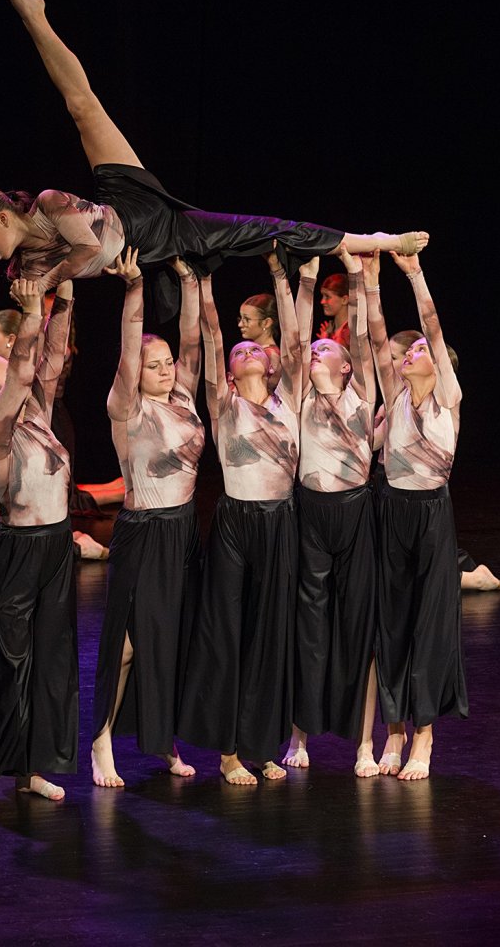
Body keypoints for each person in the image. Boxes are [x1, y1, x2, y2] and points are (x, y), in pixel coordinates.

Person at [0, 0, 428, 321]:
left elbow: (85, 250)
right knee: (263, 230)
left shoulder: (49, 203)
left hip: (129, 202)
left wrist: (46, 281)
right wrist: (33, 298)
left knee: (83, 106)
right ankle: (374, 241)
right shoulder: (24, 267)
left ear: (3, 217)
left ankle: (32, 13)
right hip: (159, 240)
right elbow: (49, 305)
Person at [0, 279, 78, 815]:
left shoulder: (34, 415)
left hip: (55, 547)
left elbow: (51, 358)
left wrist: (64, 298)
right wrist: (30, 312)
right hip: (16, 553)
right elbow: (26, 367)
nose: (19, 380)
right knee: (0, 666)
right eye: (4, 382)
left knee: (47, 663)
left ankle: (31, 770)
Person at [177, 257, 304, 784]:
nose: (247, 350)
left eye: (254, 348)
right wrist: (203, 282)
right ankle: (228, 751)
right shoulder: (223, 404)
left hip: (279, 522)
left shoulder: (289, 399)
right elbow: (211, 338)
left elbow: (294, 341)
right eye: (239, 351)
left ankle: (262, 745)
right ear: (229, 371)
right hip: (235, 523)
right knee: (228, 632)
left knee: (270, 634)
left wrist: (282, 278)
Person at [89, 253, 204, 787]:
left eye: (167, 363)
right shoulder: (127, 408)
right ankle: (101, 740)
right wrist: (134, 289)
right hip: (145, 532)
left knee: (170, 641)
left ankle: (163, 739)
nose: (165, 369)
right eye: (153, 365)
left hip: (183, 530)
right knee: (130, 644)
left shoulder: (184, 398)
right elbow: (129, 350)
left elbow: (192, 340)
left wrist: (189, 281)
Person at [283, 253, 383, 776]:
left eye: (327, 350)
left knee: (357, 627)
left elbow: (362, 338)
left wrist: (361, 278)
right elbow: (296, 337)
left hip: (354, 512)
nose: (317, 352)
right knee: (309, 626)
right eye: (315, 350)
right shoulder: (301, 396)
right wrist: (303, 281)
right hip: (312, 514)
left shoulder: (360, 396)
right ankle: (299, 736)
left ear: (345, 366)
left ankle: (363, 744)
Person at [374, 252, 465, 782]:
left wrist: (414, 273)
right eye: (406, 351)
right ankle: (393, 731)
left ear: (439, 362)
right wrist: (369, 280)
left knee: (428, 625)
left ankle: (424, 735)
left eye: (419, 350)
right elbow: (376, 332)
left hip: (431, 513)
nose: (410, 353)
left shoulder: (447, 398)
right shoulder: (395, 396)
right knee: (392, 623)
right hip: (393, 509)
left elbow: (430, 324)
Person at [0, 307, 108, 558]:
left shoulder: (25, 400)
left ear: (11, 340)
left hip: (43, 533)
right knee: (9, 506)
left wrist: (54, 300)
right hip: (20, 539)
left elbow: (51, 354)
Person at [384, 328, 500, 591]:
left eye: (394, 357)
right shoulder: (397, 397)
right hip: (393, 488)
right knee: (404, 562)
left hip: (419, 490)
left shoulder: (442, 403)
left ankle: (470, 578)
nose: (393, 363)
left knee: (419, 564)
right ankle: (467, 575)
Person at [315, 272, 352, 349]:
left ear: (344, 300)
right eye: (323, 296)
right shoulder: (331, 330)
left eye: (327, 296)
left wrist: (324, 342)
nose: (322, 301)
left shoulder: (350, 333)